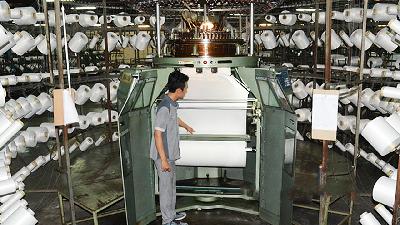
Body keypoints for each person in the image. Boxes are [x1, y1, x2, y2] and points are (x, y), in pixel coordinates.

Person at [150, 70, 194, 225]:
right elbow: (157, 134)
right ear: (179, 90)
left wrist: (186, 126)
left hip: (169, 155)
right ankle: (167, 221)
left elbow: (175, 118)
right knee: (166, 189)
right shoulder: (164, 108)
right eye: (185, 88)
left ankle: (171, 214)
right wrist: (163, 160)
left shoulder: (172, 104)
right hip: (163, 156)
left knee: (171, 187)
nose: (186, 90)